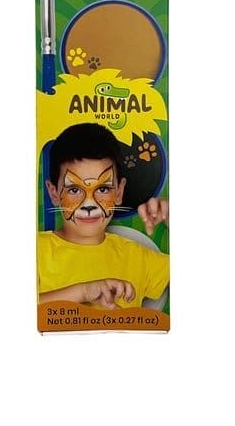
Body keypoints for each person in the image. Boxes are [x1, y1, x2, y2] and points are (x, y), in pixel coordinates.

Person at [38, 123, 169, 310]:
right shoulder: (37, 250)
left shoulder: (137, 258)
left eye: (103, 189)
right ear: (53, 193)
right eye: (74, 190)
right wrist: (83, 292)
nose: (89, 204)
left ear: (119, 192)